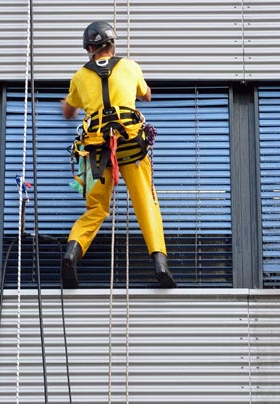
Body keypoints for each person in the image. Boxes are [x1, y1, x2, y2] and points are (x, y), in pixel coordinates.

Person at [60, 21, 176, 288]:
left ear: (89, 48)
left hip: (95, 149)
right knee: (146, 202)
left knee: (96, 209)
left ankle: (71, 254)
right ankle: (160, 264)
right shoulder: (130, 67)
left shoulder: (79, 77)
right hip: (131, 145)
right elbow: (146, 95)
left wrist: (69, 105)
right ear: (112, 45)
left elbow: (69, 111)